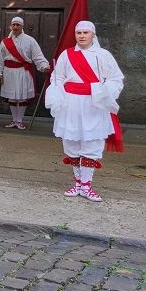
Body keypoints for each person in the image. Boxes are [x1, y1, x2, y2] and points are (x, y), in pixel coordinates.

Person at [46, 21, 124, 202]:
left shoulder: (103, 55)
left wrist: (103, 92)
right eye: (78, 32)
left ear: (93, 35)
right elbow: (57, 77)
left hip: (93, 104)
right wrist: (57, 93)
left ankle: (87, 186)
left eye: (85, 33)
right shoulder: (66, 55)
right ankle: (78, 183)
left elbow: (116, 78)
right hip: (71, 104)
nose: (81, 36)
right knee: (72, 143)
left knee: (91, 143)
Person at [0, 16, 50, 130]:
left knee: (22, 97)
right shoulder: (5, 42)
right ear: (11, 26)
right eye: (13, 24)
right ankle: (14, 120)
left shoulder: (30, 40)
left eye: (17, 25)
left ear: (22, 26)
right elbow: (0, 58)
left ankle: (20, 121)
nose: (15, 27)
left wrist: (44, 66)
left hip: (24, 72)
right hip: (9, 72)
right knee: (12, 98)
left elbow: (37, 55)